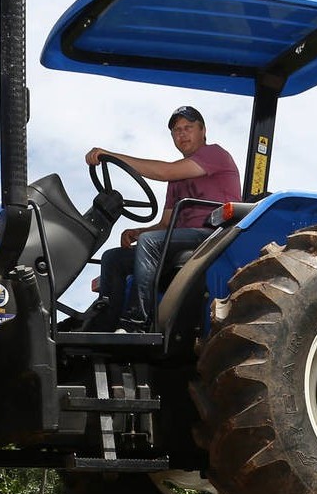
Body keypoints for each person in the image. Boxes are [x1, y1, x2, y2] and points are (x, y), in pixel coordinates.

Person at [85, 106, 240, 329]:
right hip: (181, 239)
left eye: (188, 127)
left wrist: (110, 155)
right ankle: (105, 326)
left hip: (215, 235)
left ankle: (136, 322)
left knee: (151, 243)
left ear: (203, 131)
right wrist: (138, 232)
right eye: (176, 130)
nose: (182, 134)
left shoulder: (215, 154)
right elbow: (166, 224)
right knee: (114, 258)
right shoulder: (177, 178)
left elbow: (164, 171)